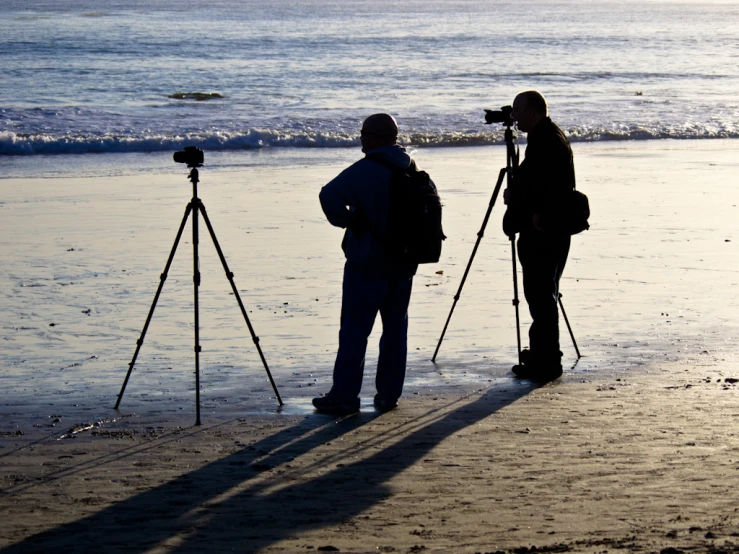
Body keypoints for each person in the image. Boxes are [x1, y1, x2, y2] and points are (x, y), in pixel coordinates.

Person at [313, 113, 431, 415]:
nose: (361, 138)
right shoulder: (411, 167)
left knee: (354, 330)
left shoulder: (367, 170)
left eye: (364, 133)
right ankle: (388, 395)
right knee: (395, 330)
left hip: (368, 261)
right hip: (403, 263)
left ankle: (345, 396)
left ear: (375, 138)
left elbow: (328, 195)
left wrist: (348, 220)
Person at [504, 90, 575, 382]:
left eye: (518, 110)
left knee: (540, 295)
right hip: (554, 227)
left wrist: (529, 209)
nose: (514, 116)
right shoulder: (549, 134)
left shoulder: (544, 140)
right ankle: (543, 354)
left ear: (532, 111)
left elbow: (543, 184)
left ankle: (547, 362)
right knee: (543, 293)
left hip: (544, 229)